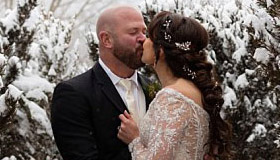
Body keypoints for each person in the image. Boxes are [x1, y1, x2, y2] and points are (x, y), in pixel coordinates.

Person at [117, 11, 232, 160]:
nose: (143, 41)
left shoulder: (172, 97)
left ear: (162, 51)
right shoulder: (192, 89)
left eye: (150, 37)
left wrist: (134, 140)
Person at [51, 5, 153, 160]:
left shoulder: (155, 89)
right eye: (133, 32)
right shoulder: (73, 94)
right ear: (107, 40)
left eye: (144, 31)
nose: (143, 39)